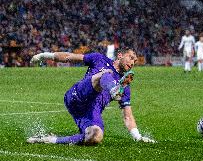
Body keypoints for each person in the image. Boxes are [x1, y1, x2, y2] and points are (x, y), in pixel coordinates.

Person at [27, 48, 156, 145]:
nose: (132, 62)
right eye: (131, 57)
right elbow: (69, 57)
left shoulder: (125, 86)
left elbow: (128, 116)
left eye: (135, 61)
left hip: (90, 111)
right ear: (120, 55)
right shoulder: (99, 59)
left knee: (96, 136)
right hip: (77, 95)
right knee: (106, 74)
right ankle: (113, 89)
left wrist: (138, 137)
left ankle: (51, 139)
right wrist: (43, 55)